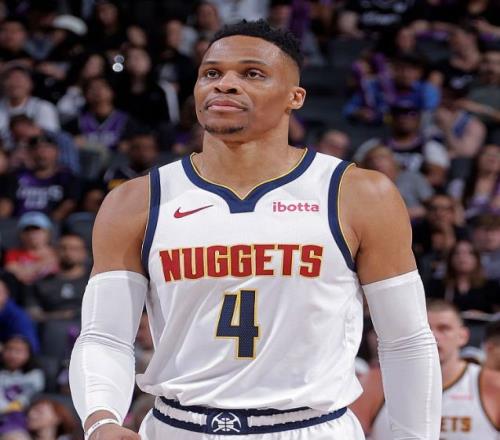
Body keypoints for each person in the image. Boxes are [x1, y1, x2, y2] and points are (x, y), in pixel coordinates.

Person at [69, 20, 441, 440]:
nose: (225, 84)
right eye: (211, 72)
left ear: (295, 97)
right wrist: (100, 420)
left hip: (310, 428)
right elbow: (105, 336)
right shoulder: (136, 200)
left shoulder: (357, 193)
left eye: (252, 73)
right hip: (178, 427)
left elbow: (406, 340)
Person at [350, 299, 500, 439]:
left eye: (444, 328)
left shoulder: (491, 385)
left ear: (463, 336)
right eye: (425, 329)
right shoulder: (376, 384)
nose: (433, 336)